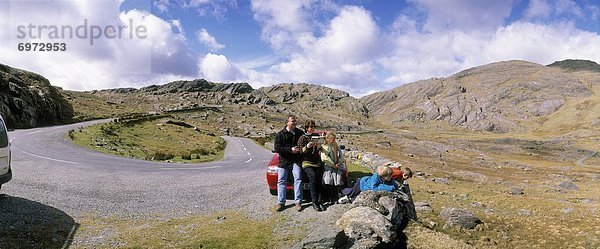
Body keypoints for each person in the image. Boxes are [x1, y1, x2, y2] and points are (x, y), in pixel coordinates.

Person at [274, 115, 304, 212]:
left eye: (295, 121)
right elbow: (277, 148)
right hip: (284, 161)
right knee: (281, 181)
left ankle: (298, 202)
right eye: (292, 121)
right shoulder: (280, 134)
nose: (294, 123)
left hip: (296, 161)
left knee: (298, 179)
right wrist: (290, 150)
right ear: (287, 122)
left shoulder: (300, 133)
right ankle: (281, 202)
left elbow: (304, 143)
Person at [338, 165, 410, 204]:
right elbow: (375, 188)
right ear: (385, 177)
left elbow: (395, 185)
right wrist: (389, 187)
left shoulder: (389, 178)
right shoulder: (375, 178)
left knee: (357, 195)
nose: (392, 177)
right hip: (363, 183)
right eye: (390, 176)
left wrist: (393, 186)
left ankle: (349, 199)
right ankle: (342, 192)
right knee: (352, 192)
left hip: (366, 187)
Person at [298, 120, 325, 211]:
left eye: (314, 126)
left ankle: (320, 200)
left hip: (316, 162)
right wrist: (307, 147)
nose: (313, 128)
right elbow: (300, 152)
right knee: (313, 176)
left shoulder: (317, 136)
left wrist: (319, 147)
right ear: (307, 128)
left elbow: (320, 148)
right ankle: (314, 201)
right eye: (311, 127)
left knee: (319, 178)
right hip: (307, 162)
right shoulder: (302, 138)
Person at [320, 131, 346, 205]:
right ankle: (326, 198)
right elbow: (325, 158)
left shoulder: (335, 145)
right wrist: (333, 165)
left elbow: (340, 155)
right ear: (328, 139)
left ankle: (334, 198)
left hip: (336, 165)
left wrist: (339, 162)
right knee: (328, 182)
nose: (334, 140)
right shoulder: (325, 146)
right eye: (332, 139)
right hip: (328, 167)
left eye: (334, 139)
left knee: (336, 183)